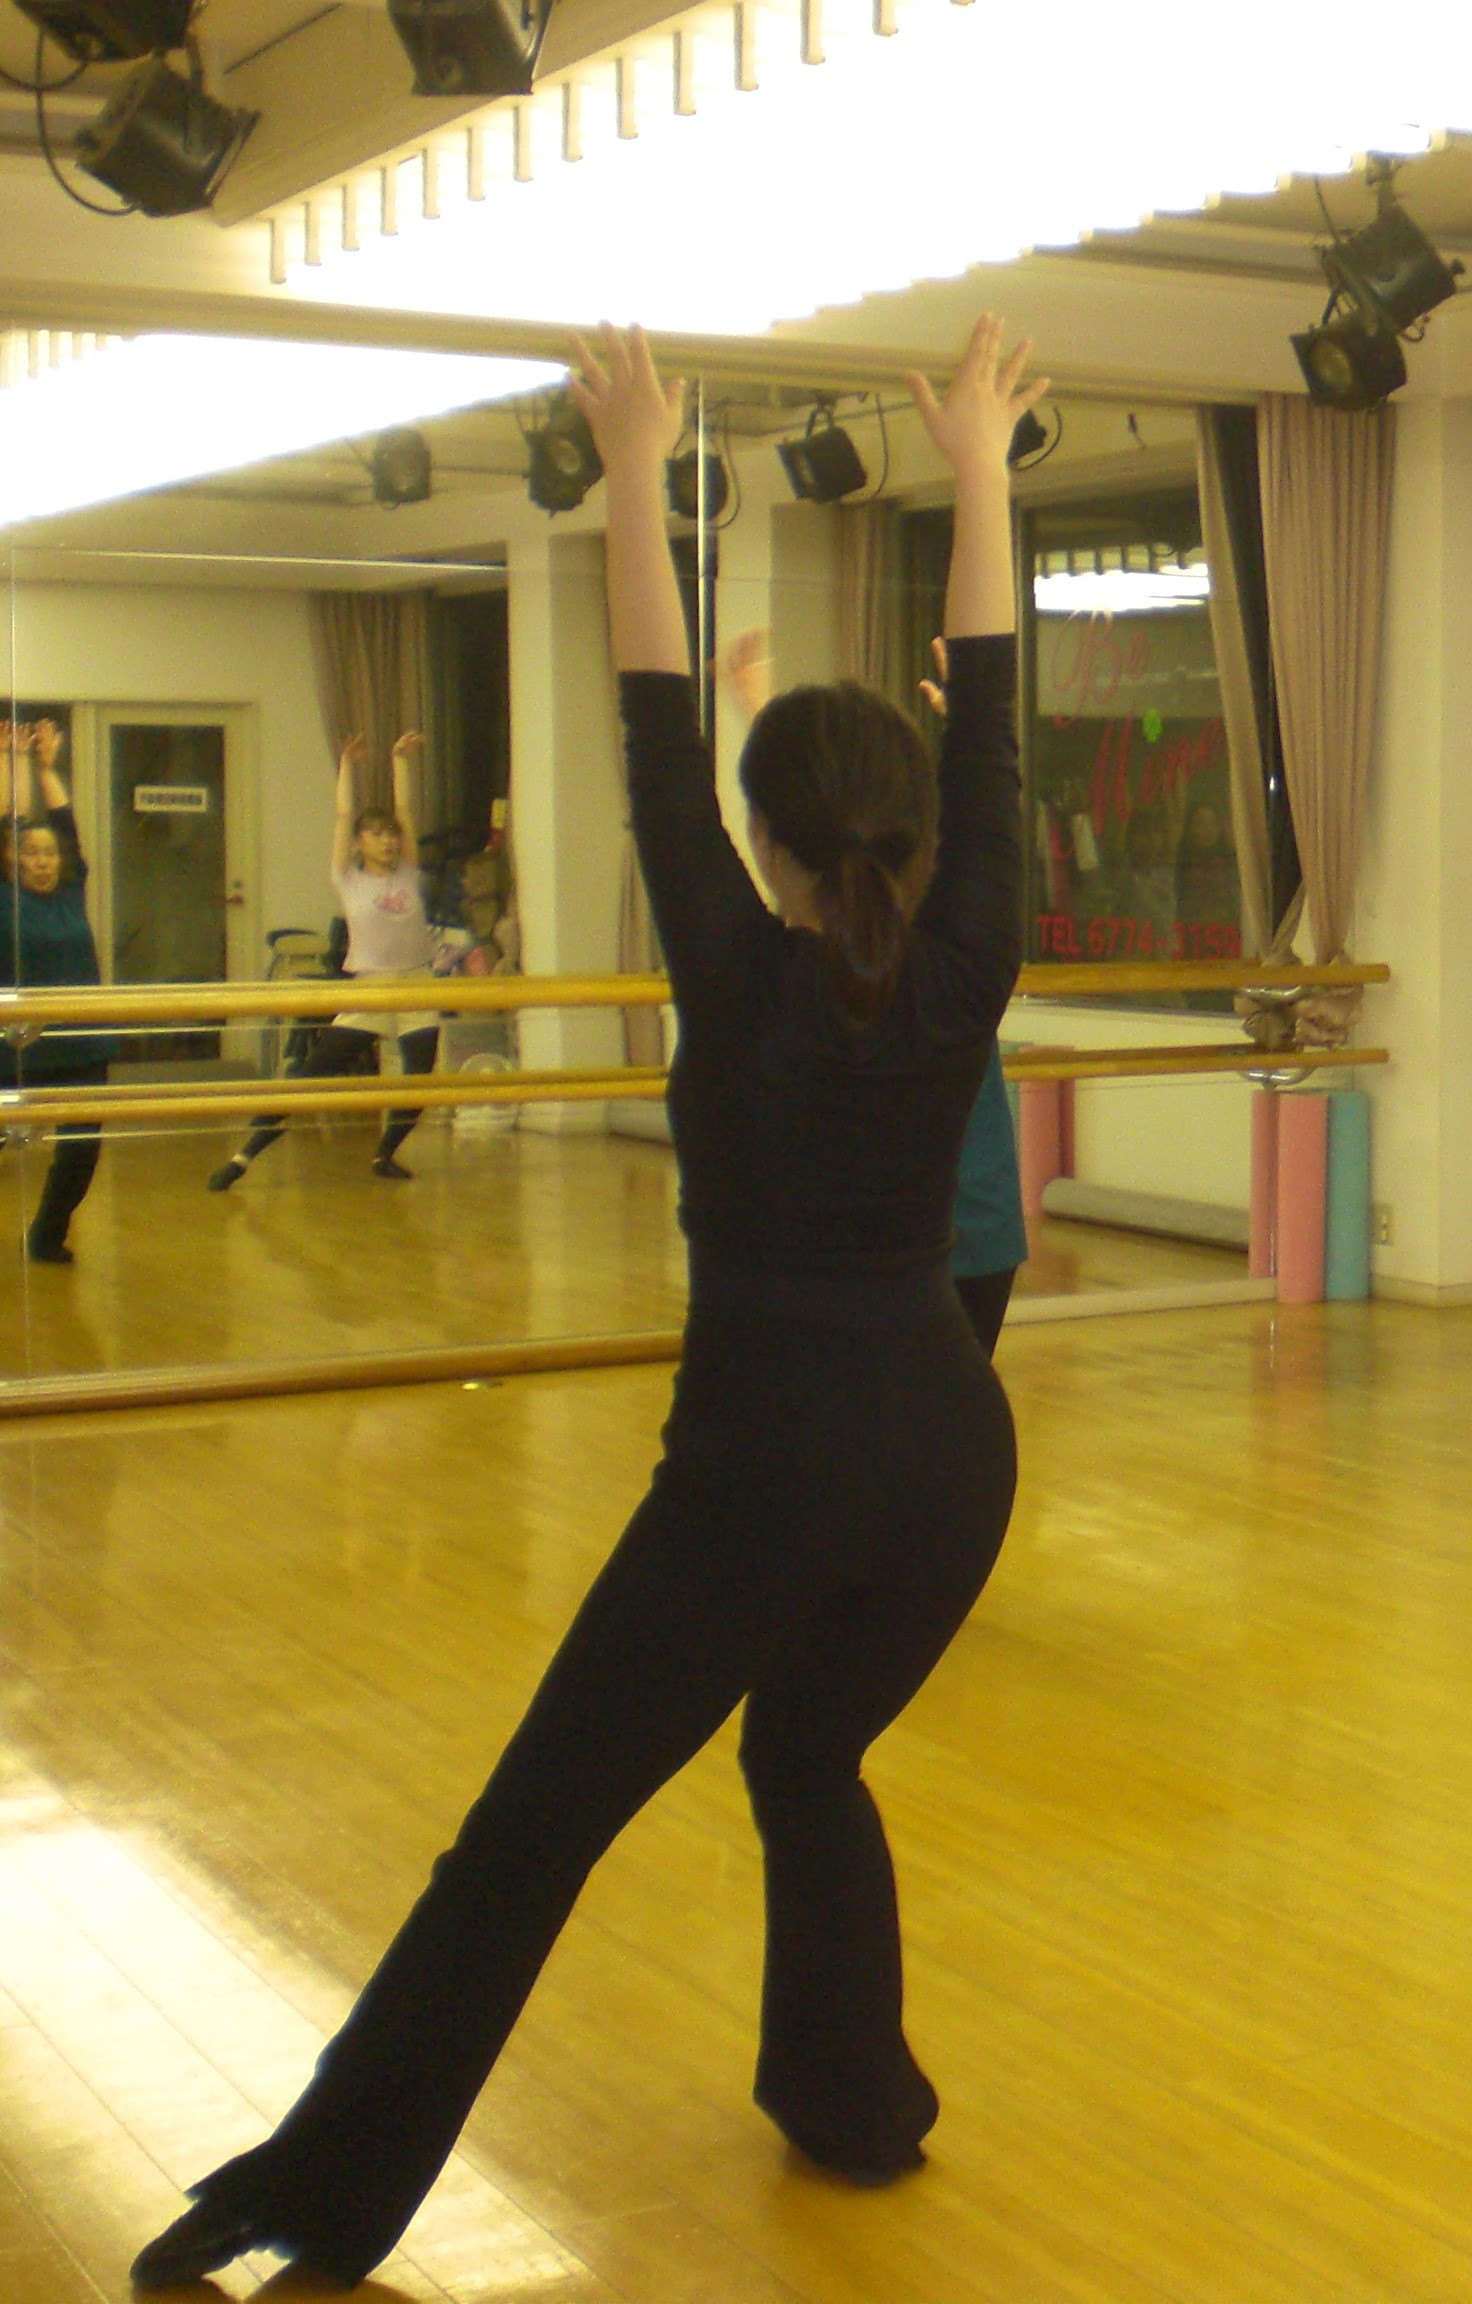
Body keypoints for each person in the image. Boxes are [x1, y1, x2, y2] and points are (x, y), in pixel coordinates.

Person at [133, 314, 1046, 2289]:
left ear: (767, 844)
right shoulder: (974, 943)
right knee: (807, 1756)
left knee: (529, 1834)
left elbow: (657, 724)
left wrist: (636, 468)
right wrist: (978, 467)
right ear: (908, 839)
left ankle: (322, 2192)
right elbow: (989, 721)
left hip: (767, 1468)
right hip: (950, 1458)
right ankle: (855, 2101)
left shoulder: (737, 963)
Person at [725, 624, 1029, 1349]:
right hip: (957, 1230)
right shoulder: (930, 922)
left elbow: (830, 829)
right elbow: (827, 824)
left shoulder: (941, 916)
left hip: (958, 1228)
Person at [209, 731, 443, 1189]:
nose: (388, 841)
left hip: (419, 984)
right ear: (358, 843)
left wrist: (399, 761)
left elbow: (405, 811)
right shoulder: (347, 879)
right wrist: (347, 767)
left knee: (420, 1080)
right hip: (371, 988)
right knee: (313, 1076)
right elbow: (341, 816)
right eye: (376, 835)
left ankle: (384, 1153)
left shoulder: (409, 872)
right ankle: (242, 1157)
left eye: (391, 835)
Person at [3, 717, 120, 1263]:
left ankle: (48, 1233)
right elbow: (5, 823)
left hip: (81, 1043)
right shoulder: (6, 896)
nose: (42, 861)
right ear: (12, 860)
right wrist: (12, 762)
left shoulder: (71, 890)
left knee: (81, 1149)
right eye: (29, 853)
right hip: (15, 1044)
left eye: (48, 854)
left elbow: (67, 829)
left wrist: (47, 767)